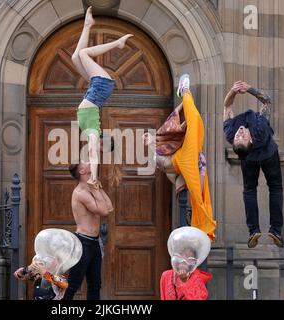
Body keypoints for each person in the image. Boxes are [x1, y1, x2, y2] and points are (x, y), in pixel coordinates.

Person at [145, 74, 216, 240]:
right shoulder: (185, 155)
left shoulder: (183, 159)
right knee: (194, 121)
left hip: (183, 161)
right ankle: (184, 92)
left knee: (193, 122)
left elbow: (196, 191)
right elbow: (197, 190)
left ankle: (184, 92)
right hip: (182, 161)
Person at [72, 6, 133, 190]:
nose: (96, 149)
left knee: (76, 57)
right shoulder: (93, 134)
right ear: (101, 143)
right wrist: (94, 177)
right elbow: (93, 156)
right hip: (101, 86)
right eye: (100, 148)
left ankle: (87, 25)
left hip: (94, 90)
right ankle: (118, 43)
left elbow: (94, 154)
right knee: (84, 54)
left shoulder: (92, 131)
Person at [223, 81, 284, 248]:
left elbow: (227, 106)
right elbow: (268, 102)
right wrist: (250, 89)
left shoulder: (230, 132)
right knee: (275, 187)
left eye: (238, 137)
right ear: (251, 139)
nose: (240, 132)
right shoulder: (260, 129)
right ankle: (275, 230)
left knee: (249, 189)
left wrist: (233, 91)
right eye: (241, 136)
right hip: (269, 155)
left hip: (249, 158)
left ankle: (254, 230)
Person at [63, 161, 114, 300]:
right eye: (85, 163)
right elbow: (104, 211)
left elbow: (109, 207)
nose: (90, 162)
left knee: (95, 284)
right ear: (82, 172)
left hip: (94, 242)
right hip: (82, 243)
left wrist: (97, 187)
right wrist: (96, 190)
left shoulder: (90, 190)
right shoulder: (80, 193)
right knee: (73, 284)